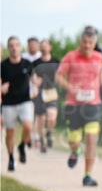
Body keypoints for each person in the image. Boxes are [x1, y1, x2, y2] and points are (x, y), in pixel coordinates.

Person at [56, 27, 102, 186]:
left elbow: (101, 75)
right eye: (85, 42)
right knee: (74, 140)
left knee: (91, 139)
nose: (87, 45)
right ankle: (75, 151)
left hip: (93, 104)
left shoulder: (99, 57)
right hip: (73, 105)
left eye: (90, 42)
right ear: (80, 41)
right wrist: (70, 87)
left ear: (95, 44)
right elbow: (59, 76)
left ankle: (87, 175)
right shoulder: (70, 56)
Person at [1, 37, 35, 171]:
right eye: (11, 45)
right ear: (8, 48)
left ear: (20, 47)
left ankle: (22, 146)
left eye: (16, 45)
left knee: (28, 126)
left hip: (25, 101)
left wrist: (37, 86)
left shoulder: (27, 64)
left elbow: (34, 79)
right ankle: (11, 158)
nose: (14, 48)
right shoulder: (3, 66)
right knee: (10, 132)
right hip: (8, 103)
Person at [31, 39, 60, 153]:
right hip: (40, 93)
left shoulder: (56, 61)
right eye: (41, 46)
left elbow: (61, 75)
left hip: (51, 91)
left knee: (52, 117)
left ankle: (49, 132)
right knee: (41, 119)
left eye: (45, 46)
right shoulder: (35, 63)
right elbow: (32, 77)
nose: (43, 48)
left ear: (50, 47)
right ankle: (42, 141)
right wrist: (35, 81)